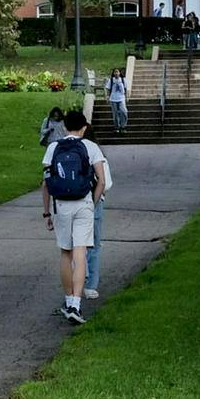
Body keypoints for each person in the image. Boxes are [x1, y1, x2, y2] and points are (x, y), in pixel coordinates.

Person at [41, 110, 106, 324]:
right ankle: (77, 305)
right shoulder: (91, 147)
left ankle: (68, 300)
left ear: (64, 126)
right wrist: (92, 203)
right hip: (83, 203)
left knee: (65, 253)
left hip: (61, 205)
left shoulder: (53, 147)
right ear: (84, 127)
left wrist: (47, 212)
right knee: (80, 253)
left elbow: (46, 183)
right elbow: (102, 181)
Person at [81, 121, 115, 299]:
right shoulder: (96, 151)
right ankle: (91, 284)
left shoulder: (65, 149)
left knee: (75, 246)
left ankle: (76, 280)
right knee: (93, 245)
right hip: (93, 202)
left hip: (71, 203)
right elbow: (106, 183)